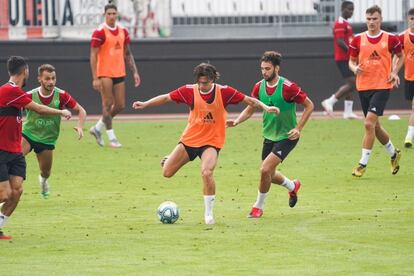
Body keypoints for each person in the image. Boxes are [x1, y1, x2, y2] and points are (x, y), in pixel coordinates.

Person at [132, 63, 279, 225]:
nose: (202, 86)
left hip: (211, 142)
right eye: (200, 82)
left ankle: (208, 214)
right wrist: (145, 103)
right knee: (166, 172)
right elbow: (166, 97)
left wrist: (266, 107)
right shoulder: (189, 91)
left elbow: (249, 100)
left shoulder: (224, 92)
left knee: (207, 172)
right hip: (190, 140)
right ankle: (171, 158)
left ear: (213, 80)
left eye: (206, 82)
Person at [227, 51, 314, 218]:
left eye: (267, 68)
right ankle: (292, 186)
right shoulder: (259, 87)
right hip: (268, 136)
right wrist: (237, 121)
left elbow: (309, 105)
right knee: (269, 173)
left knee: (265, 169)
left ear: (277, 68)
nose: (264, 72)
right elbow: (251, 107)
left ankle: (257, 207)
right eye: (262, 69)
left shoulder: (288, 87)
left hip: (287, 137)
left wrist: (298, 128)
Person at [0, 56, 71, 240]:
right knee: (5, 193)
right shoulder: (9, 90)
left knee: (16, 192)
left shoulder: (15, 92)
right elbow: (38, 108)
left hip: (14, 151)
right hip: (2, 150)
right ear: (25, 72)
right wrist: (61, 111)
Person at [348, 5, 404, 177]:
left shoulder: (391, 39)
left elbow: (400, 55)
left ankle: (362, 164)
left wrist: (394, 72)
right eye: (369, 19)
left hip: (382, 86)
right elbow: (350, 61)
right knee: (375, 127)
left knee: (368, 124)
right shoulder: (357, 40)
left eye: (375, 19)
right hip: (363, 86)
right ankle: (394, 154)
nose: (371, 22)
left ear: (380, 19)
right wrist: (354, 68)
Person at [22, 64, 87, 198]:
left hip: (47, 139)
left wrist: (80, 126)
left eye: (53, 78)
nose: (51, 82)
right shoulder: (29, 95)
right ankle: (7, 191)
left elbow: (81, 111)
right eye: (47, 78)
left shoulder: (61, 95)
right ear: (39, 79)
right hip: (28, 135)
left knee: (46, 172)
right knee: (13, 160)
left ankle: (43, 181)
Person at [89, 3, 141, 148]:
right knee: (107, 104)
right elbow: (93, 55)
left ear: (117, 14)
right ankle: (112, 138)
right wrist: (95, 78)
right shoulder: (99, 32)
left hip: (119, 71)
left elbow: (128, 53)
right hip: (104, 73)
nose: (111, 16)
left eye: (114, 13)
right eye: (109, 14)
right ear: (104, 15)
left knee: (120, 105)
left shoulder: (123, 30)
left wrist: (135, 72)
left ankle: (97, 128)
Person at [321, 0, 358, 119]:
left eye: (352, 9)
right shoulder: (340, 23)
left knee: (351, 84)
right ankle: (330, 101)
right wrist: (351, 52)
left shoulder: (346, 23)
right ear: (342, 9)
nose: (351, 12)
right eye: (349, 9)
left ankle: (348, 112)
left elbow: (349, 40)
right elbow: (340, 41)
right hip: (343, 58)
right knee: (354, 83)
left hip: (348, 58)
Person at [399, 8, 414, 148]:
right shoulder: (402, 37)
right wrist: (393, 72)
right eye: (412, 19)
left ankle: (409, 137)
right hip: (409, 77)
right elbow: (399, 57)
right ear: (408, 20)